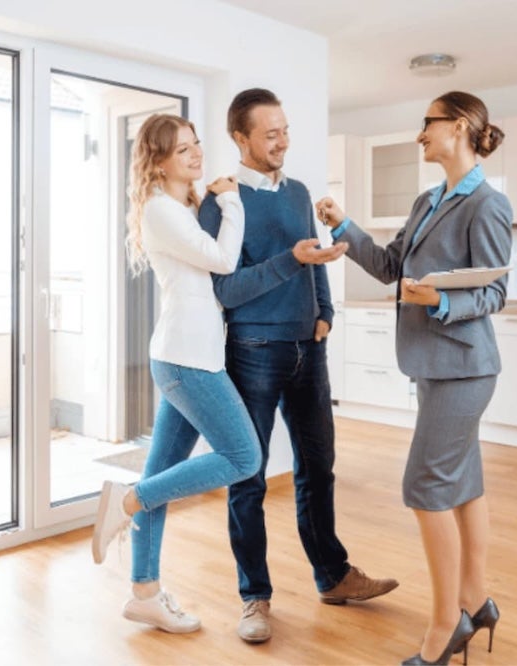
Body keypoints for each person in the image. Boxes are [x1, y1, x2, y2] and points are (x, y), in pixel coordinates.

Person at [197, 88, 399, 644]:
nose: (282, 141)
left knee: (319, 467)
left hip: (309, 349)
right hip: (253, 350)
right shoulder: (222, 202)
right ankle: (254, 597)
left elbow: (314, 258)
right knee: (249, 475)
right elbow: (227, 291)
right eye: (270, 133)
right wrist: (292, 261)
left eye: (285, 130)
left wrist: (326, 313)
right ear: (241, 139)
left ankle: (333, 576)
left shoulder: (300, 192)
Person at [316, 91, 511, 666]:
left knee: (425, 489)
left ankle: (446, 622)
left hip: (465, 367)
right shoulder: (429, 199)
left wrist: (441, 303)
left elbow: (496, 291)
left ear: (457, 127)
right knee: (462, 484)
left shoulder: (486, 204)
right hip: (435, 367)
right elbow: (390, 266)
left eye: (427, 124)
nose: (419, 134)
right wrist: (343, 225)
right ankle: (477, 600)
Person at [91, 113, 261, 635]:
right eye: (182, 149)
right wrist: (232, 200)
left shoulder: (181, 205)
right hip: (188, 361)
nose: (195, 154)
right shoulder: (163, 210)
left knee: (160, 474)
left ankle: (144, 594)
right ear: (158, 161)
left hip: (188, 356)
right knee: (244, 456)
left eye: (196, 145)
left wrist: (212, 200)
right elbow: (222, 260)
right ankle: (126, 502)